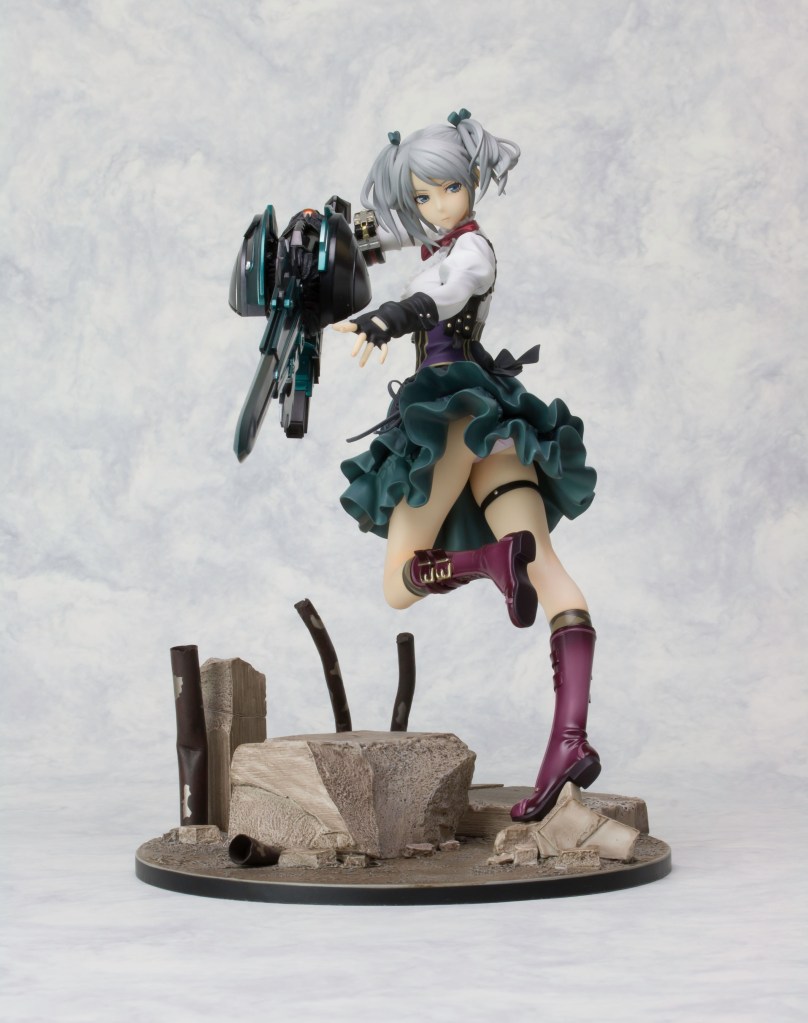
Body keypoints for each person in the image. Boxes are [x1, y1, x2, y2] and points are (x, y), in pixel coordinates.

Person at [332, 109, 600, 822]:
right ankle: (568, 742)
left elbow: (451, 288)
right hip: (494, 423)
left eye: (449, 188)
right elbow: (378, 234)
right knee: (549, 568)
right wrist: (327, 227)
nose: (437, 205)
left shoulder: (472, 249)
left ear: (472, 180)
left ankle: (487, 563)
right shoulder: (437, 237)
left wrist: (395, 315)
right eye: (423, 195)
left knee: (399, 584)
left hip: (454, 414)